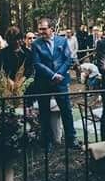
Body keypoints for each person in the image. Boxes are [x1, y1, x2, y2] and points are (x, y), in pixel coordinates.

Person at [32, 18, 80, 150]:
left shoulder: (62, 41)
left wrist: (60, 74)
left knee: (66, 110)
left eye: (44, 29)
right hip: (44, 82)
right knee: (44, 112)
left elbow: (68, 59)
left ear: (51, 28)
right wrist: (52, 75)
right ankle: (47, 140)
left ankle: (71, 138)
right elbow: (37, 63)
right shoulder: (36, 44)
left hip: (61, 81)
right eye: (39, 29)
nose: (41, 31)